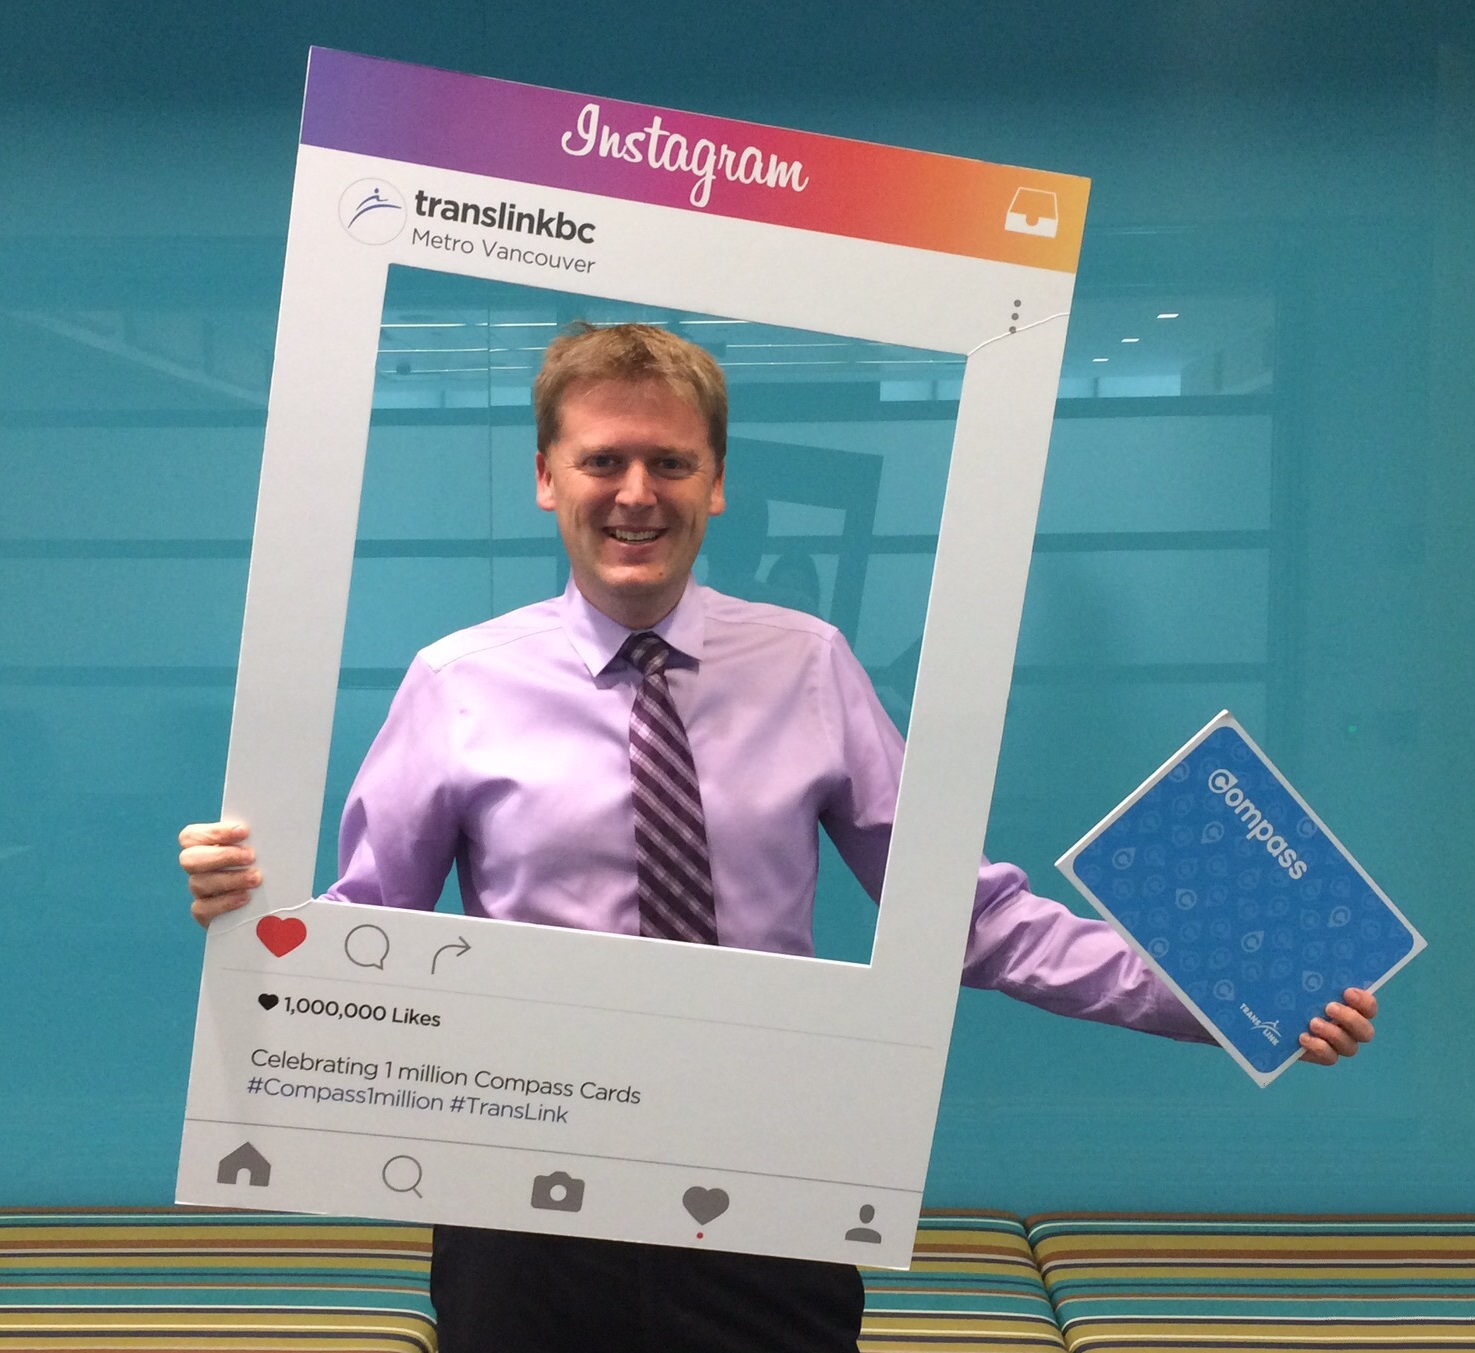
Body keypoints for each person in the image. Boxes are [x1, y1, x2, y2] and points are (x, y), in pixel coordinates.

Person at [181, 322, 1377, 1353]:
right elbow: (364, 935)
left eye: (669, 462)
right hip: (525, 1201)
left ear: (715, 483)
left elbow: (968, 918)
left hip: (765, 1177)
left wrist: (1232, 990)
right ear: (546, 476)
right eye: (602, 460)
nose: (635, 492)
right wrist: (251, 919)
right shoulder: (456, 683)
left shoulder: (809, 664)